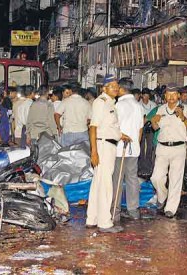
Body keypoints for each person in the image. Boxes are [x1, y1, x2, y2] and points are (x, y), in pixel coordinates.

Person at [86, 74, 130, 233]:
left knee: (98, 183)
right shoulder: (101, 102)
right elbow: (93, 127)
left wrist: (120, 135)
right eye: (113, 86)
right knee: (105, 184)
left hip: (107, 144)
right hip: (103, 146)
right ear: (104, 88)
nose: (116, 88)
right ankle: (105, 222)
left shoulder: (110, 103)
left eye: (117, 86)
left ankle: (92, 218)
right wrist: (94, 152)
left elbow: (108, 126)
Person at [150, 84, 187, 218]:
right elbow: (155, 127)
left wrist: (183, 117)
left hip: (179, 148)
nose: (171, 97)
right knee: (156, 177)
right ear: (165, 96)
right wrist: (154, 121)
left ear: (178, 96)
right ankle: (162, 195)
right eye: (168, 94)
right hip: (162, 147)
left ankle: (171, 208)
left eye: (174, 94)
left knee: (176, 178)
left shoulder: (186, 110)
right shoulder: (160, 109)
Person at [112, 78, 144, 222]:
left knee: (117, 180)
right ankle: (133, 209)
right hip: (134, 148)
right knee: (132, 179)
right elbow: (140, 129)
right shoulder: (138, 105)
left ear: (121, 89)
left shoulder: (119, 105)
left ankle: (115, 210)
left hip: (120, 148)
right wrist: (136, 144)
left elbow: (114, 126)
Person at [138, 87, 157, 178]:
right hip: (141, 127)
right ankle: (141, 168)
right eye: (144, 95)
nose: (146, 97)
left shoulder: (153, 105)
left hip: (151, 128)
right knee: (141, 148)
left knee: (150, 148)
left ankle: (148, 168)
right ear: (142, 95)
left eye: (147, 95)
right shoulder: (138, 105)